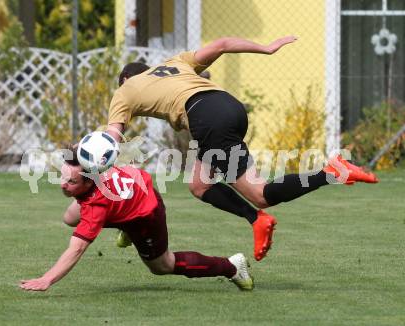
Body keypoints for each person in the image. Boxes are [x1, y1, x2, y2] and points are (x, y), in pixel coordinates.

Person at [104, 36, 379, 262]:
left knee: (259, 194)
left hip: (207, 119)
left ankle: (332, 172)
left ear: (126, 79)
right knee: (199, 184)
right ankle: (256, 219)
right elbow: (222, 44)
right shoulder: (175, 63)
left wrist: (97, 157)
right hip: (228, 106)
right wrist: (266, 48)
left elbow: (113, 133)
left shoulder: (125, 90)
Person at [19, 148, 253, 292]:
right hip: (134, 187)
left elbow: (77, 248)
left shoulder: (96, 206)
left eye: (70, 182)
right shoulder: (92, 158)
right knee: (70, 217)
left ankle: (232, 266)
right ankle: (125, 227)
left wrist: (47, 279)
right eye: (62, 176)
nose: (62, 184)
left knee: (162, 266)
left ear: (90, 182)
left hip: (145, 215)